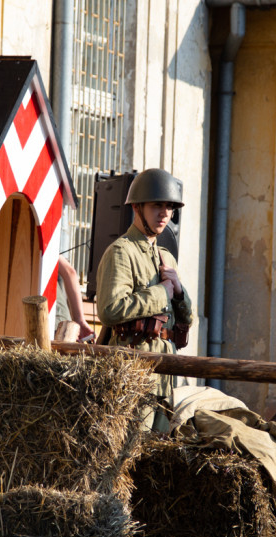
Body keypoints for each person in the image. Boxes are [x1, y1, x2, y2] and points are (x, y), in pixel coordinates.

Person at [95, 168, 194, 432]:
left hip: (164, 377)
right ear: (137, 208)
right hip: (133, 377)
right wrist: (162, 292)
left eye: (169, 207)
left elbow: (184, 321)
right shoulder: (121, 252)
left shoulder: (166, 257)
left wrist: (179, 292)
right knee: (128, 454)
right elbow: (109, 309)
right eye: (156, 205)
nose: (164, 213)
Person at [54, 255, 94, 341]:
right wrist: (80, 321)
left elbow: (70, 272)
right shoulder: (45, 246)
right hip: (57, 322)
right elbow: (69, 272)